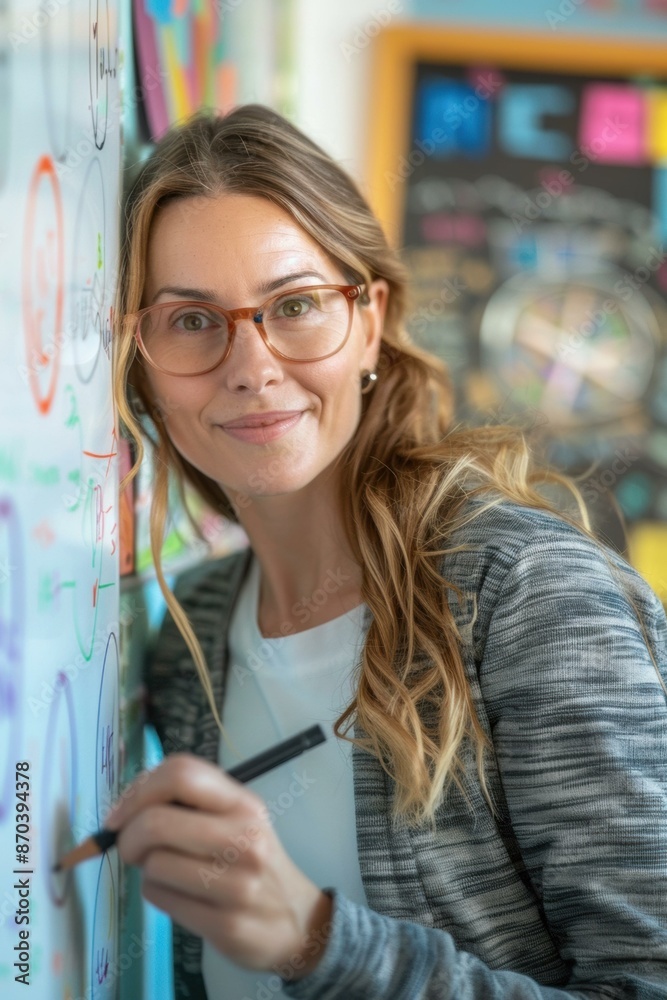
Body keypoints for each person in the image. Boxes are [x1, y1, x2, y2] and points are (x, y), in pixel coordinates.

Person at [108, 104, 667, 1000]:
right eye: (190, 320)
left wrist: (320, 942)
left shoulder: (526, 596)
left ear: (367, 321)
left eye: (295, 306)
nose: (250, 366)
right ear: (139, 365)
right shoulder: (190, 642)